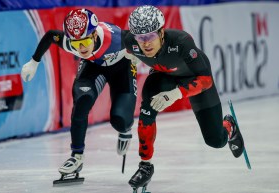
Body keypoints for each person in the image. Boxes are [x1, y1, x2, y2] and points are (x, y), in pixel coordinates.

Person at [123, 5, 245, 191]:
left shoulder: (181, 41)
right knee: (146, 109)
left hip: (195, 78)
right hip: (163, 76)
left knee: (216, 141)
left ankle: (229, 126)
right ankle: (145, 166)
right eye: (140, 38)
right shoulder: (130, 41)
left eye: (150, 37)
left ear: (161, 32)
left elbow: (205, 81)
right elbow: (102, 36)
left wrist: (176, 94)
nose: (145, 43)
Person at [20, 8, 136, 182]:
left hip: (122, 68)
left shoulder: (119, 40)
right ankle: (77, 156)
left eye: (85, 42)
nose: (80, 48)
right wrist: (34, 61)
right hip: (93, 67)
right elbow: (51, 35)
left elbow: (148, 43)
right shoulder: (71, 41)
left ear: (95, 35)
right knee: (82, 101)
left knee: (120, 120)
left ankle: (125, 128)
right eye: (75, 44)